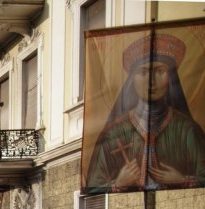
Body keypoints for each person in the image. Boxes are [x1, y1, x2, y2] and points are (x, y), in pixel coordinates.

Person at [85, 34, 205, 193]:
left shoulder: (188, 129)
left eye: (160, 71)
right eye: (143, 72)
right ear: (132, 80)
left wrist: (182, 180)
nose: (151, 81)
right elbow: (92, 186)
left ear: (170, 77)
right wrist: (118, 182)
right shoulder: (112, 134)